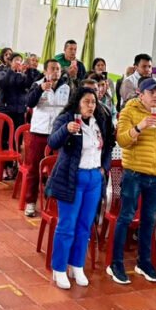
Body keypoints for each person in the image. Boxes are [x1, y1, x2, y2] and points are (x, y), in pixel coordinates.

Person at [47, 87, 114, 289]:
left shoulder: (99, 120)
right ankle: (59, 268)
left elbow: (109, 145)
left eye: (93, 102)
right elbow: (52, 142)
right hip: (72, 177)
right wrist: (66, 130)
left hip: (94, 177)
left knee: (85, 225)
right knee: (67, 224)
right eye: (86, 102)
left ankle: (77, 265)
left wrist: (103, 168)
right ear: (77, 102)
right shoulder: (67, 119)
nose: (91, 106)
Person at [107, 77, 156, 285]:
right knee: (126, 217)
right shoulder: (129, 111)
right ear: (140, 94)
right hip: (134, 174)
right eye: (152, 92)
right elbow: (122, 140)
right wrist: (140, 127)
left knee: (149, 220)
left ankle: (144, 262)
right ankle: (115, 264)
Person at [23, 60, 69, 217]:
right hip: (39, 132)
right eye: (52, 69)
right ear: (45, 71)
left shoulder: (66, 87)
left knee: (58, 169)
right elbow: (29, 102)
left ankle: (53, 202)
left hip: (58, 134)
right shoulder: (37, 85)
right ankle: (30, 202)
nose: (56, 72)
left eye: (58, 69)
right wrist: (40, 89)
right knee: (34, 168)